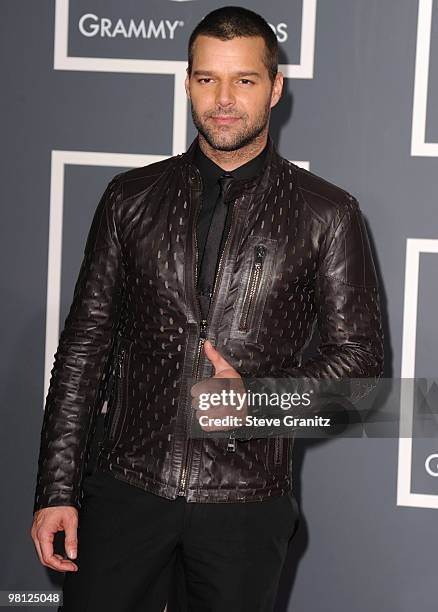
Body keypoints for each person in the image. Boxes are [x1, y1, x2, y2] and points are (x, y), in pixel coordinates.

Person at [31, 6, 384, 611]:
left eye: (243, 80)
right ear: (188, 82)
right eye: (206, 79)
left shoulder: (329, 214)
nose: (223, 99)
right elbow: (84, 350)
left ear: (275, 88)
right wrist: (56, 488)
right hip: (124, 493)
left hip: (244, 510)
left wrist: (255, 402)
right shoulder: (130, 198)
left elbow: (364, 373)